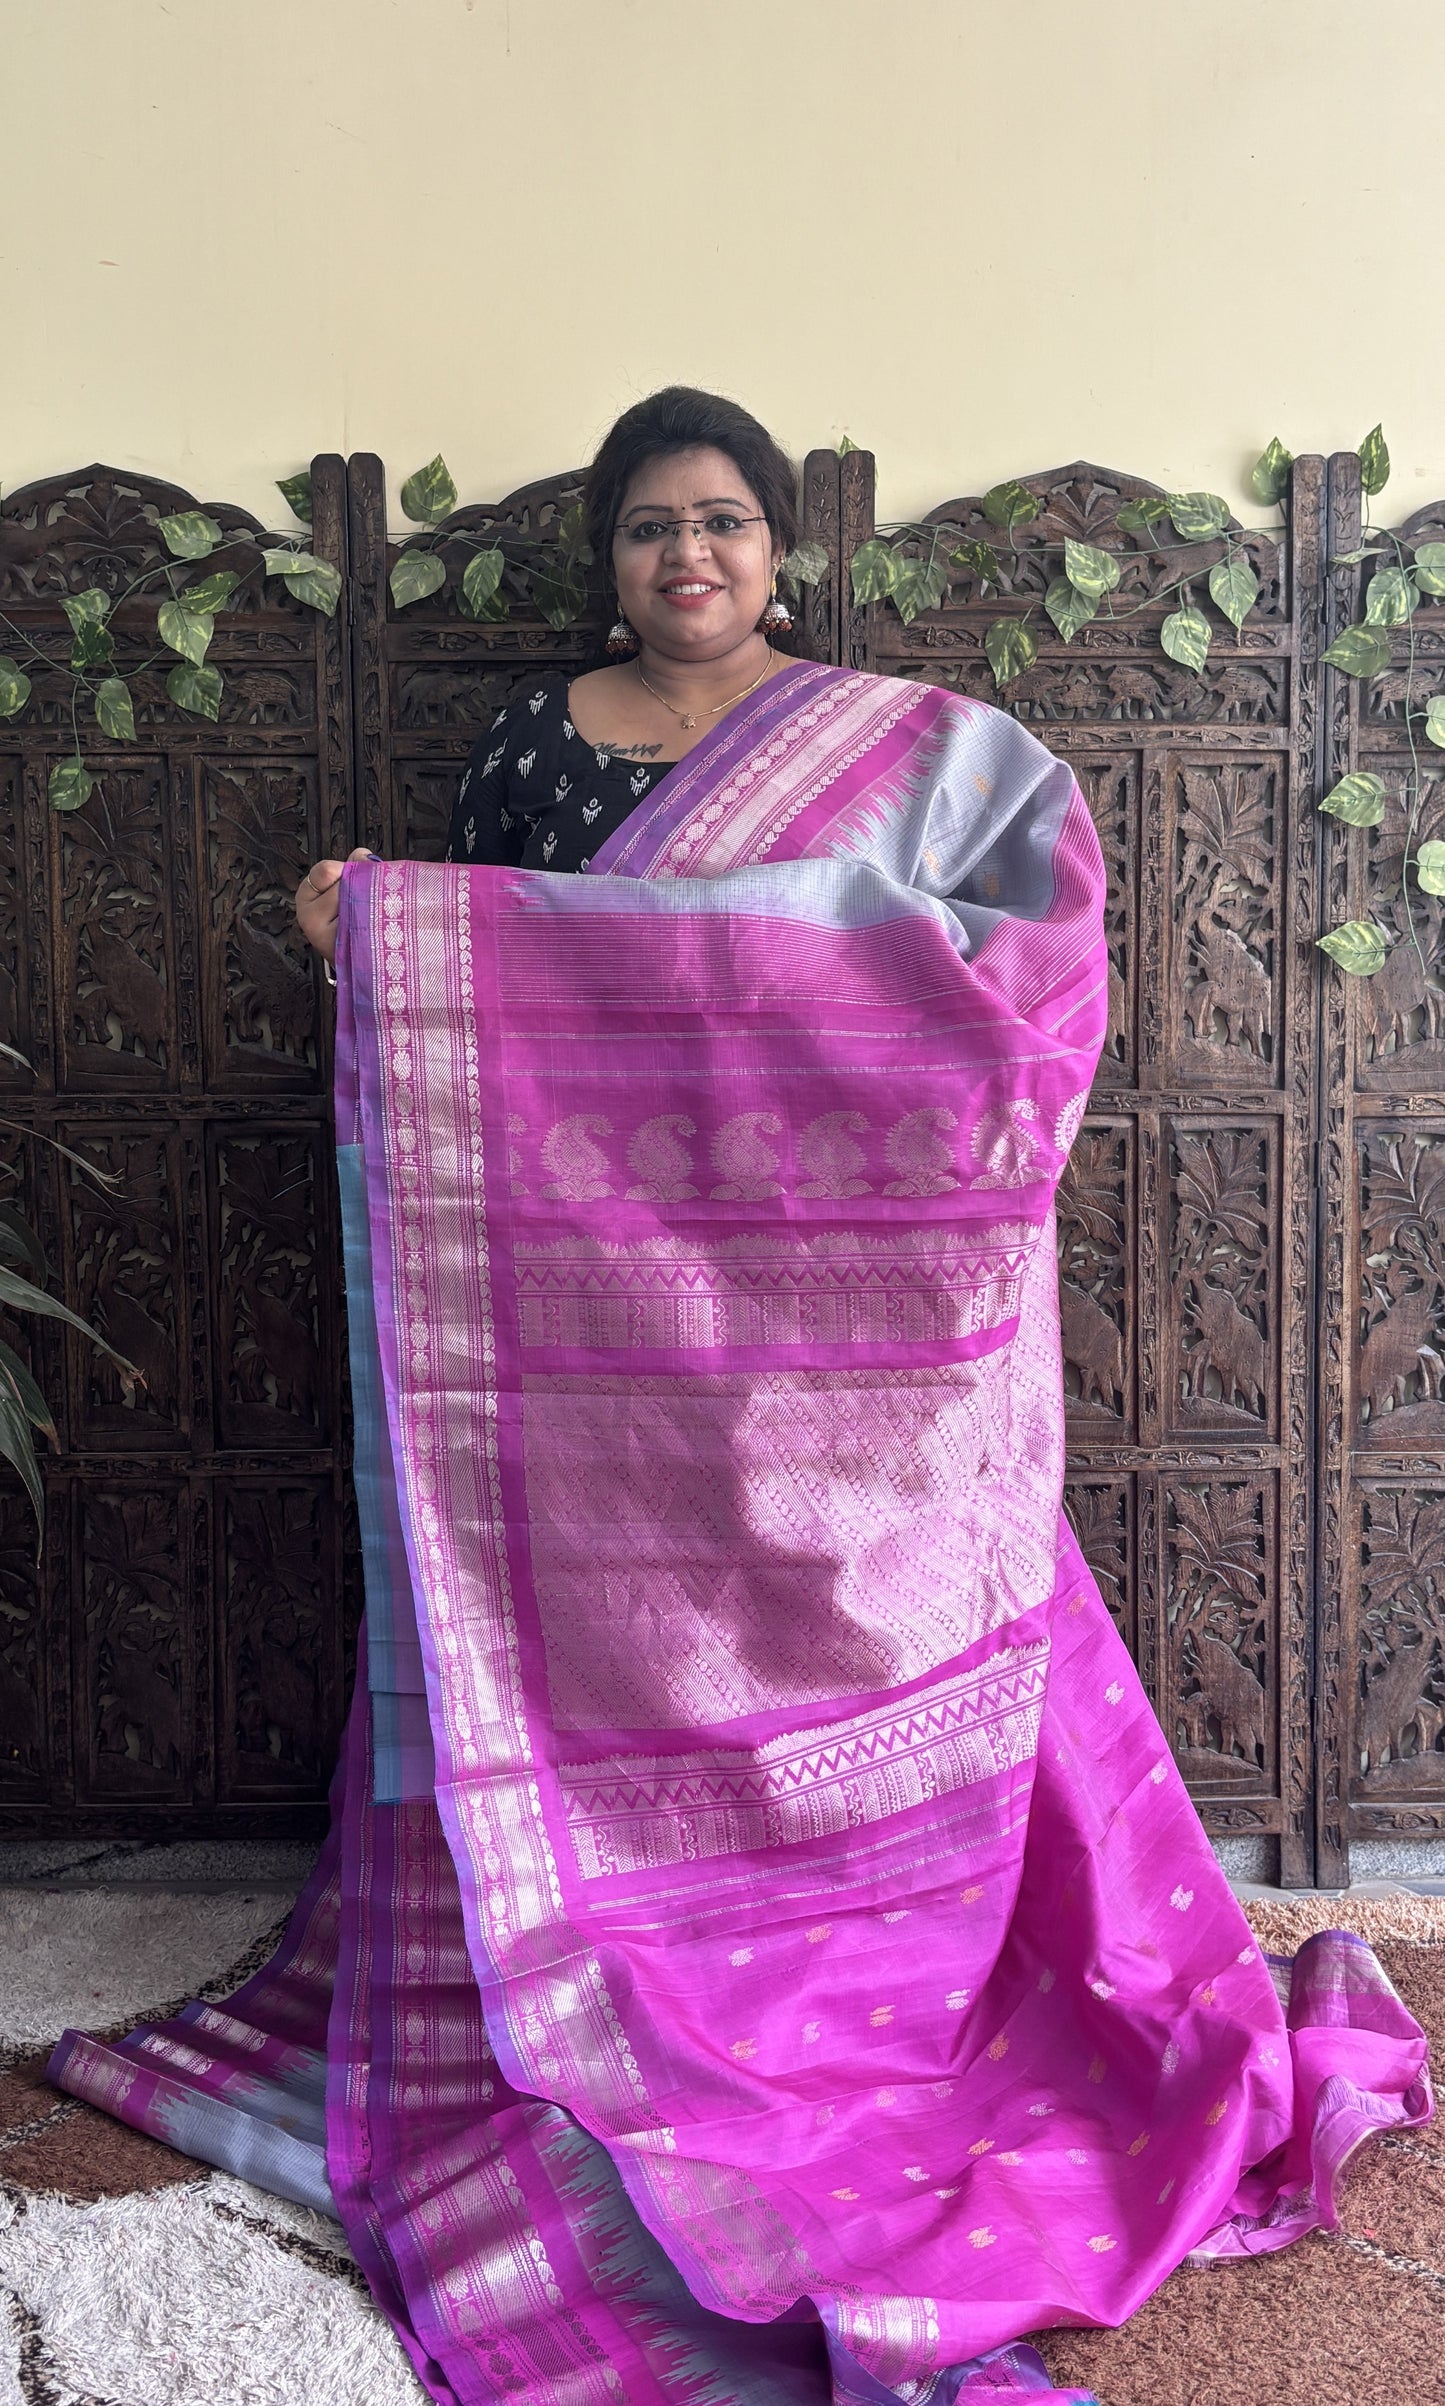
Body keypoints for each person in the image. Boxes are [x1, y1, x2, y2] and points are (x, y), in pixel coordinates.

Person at [52, 390, 1429, 2406]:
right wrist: (375, 934)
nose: (683, 559)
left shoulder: (923, 763)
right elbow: (492, 1010)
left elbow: (1013, 984)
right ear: (604, 562)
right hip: (586, 1348)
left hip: (828, 1352)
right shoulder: (535, 743)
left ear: (780, 549)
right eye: (644, 531)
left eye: (718, 524)